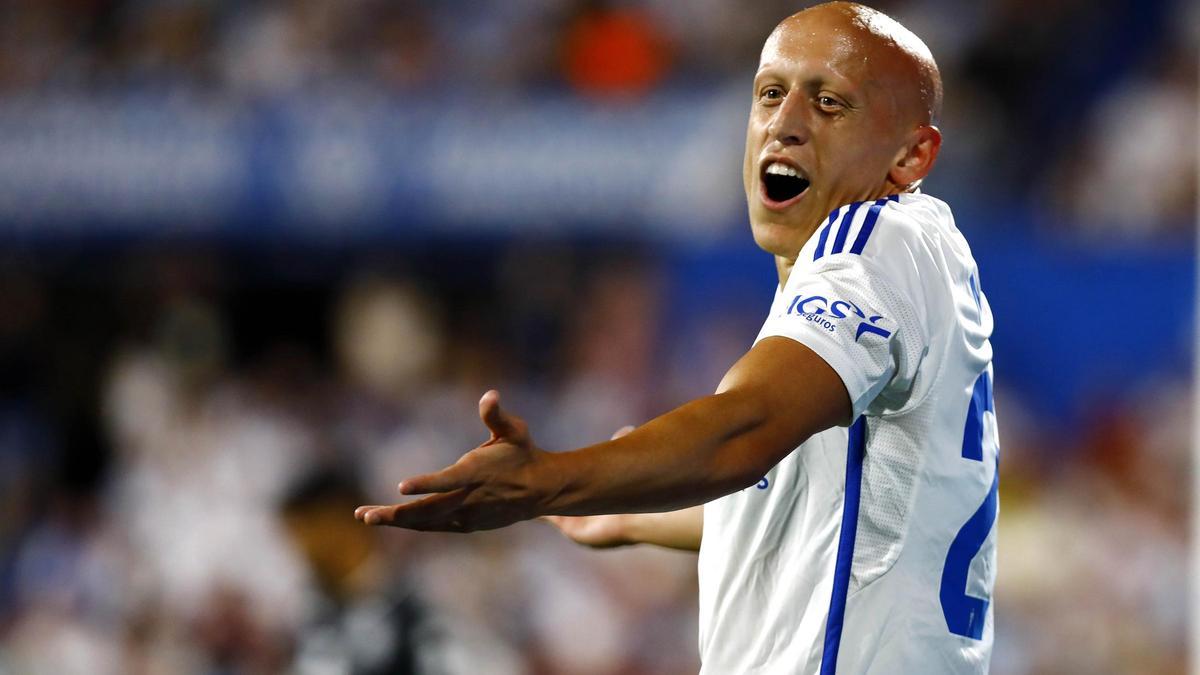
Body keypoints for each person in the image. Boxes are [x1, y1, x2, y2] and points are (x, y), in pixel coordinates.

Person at [355, 3, 998, 673]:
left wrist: (551, 479)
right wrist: (623, 511)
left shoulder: (876, 240)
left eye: (830, 103)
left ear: (911, 155)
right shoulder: (904, 268)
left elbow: (745, 428)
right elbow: (811, 501)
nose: (785, 124)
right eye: (770, 94)